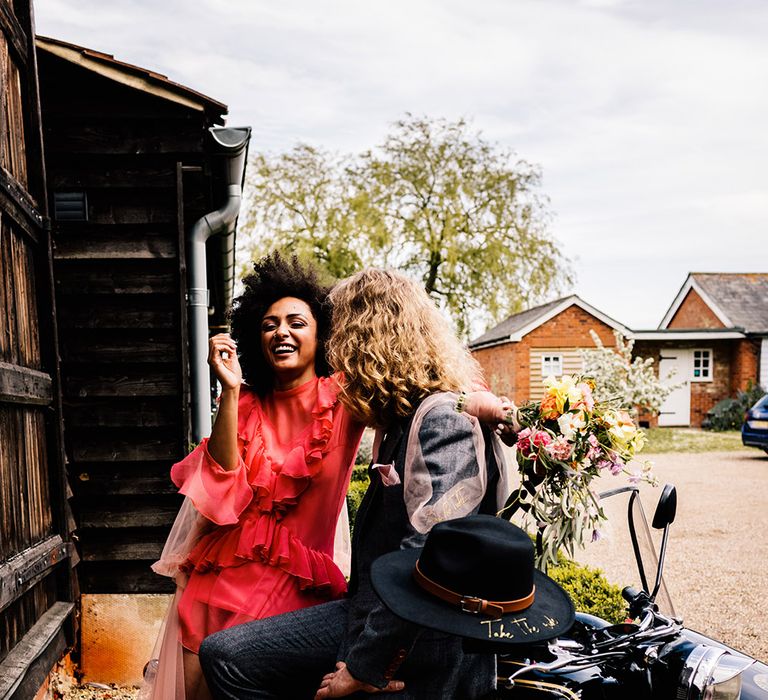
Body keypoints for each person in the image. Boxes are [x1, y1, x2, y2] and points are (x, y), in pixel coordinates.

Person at [144, 256, 516, 700]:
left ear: (324, 336)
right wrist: (229, 389)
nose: (281, 331)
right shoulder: (245, 405)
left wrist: (484, 405)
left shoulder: (344, 395)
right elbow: (222, 484)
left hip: (301, 577)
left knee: (252, 667)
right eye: (269, 324)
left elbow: (419, 379)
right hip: (227, 570)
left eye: (296, 321)